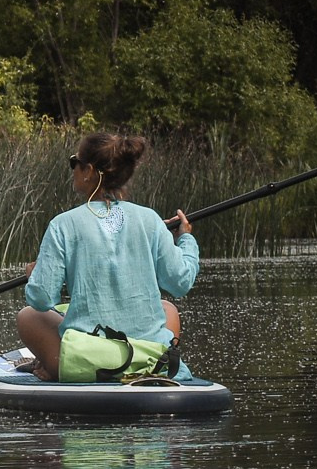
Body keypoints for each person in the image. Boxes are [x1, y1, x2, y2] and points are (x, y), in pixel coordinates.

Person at [14, 131, 198, 382]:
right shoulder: (151, 220)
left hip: (89, 359)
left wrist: (34, 275)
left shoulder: (63, 224)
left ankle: (56, 366)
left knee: (28, 316)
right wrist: (184, 238)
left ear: (89, 170)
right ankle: (150, 365)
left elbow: (42, 298)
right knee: (169, 309)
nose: (73, 170)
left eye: (74, 163)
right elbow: (180, 281)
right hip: (147, 359)